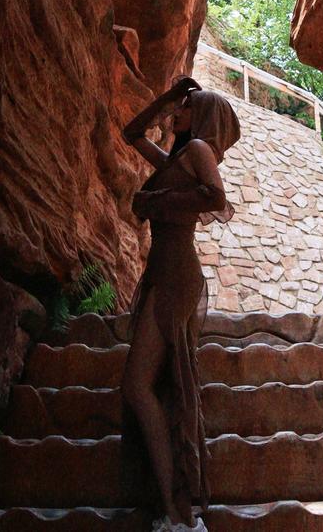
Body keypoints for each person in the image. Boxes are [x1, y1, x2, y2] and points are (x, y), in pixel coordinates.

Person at [120, 75, 241, 532]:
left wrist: (156, 200)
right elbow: (131, 133)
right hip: (163, 271)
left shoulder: (197, 152)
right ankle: (175, 508)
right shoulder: (177, 156)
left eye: (186, 106)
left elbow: (217, 199)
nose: (177, 113)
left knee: (139, 385)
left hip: (176, 274)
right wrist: (167, 96)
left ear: (203, 114)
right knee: (154, 387)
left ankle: (179, 512)